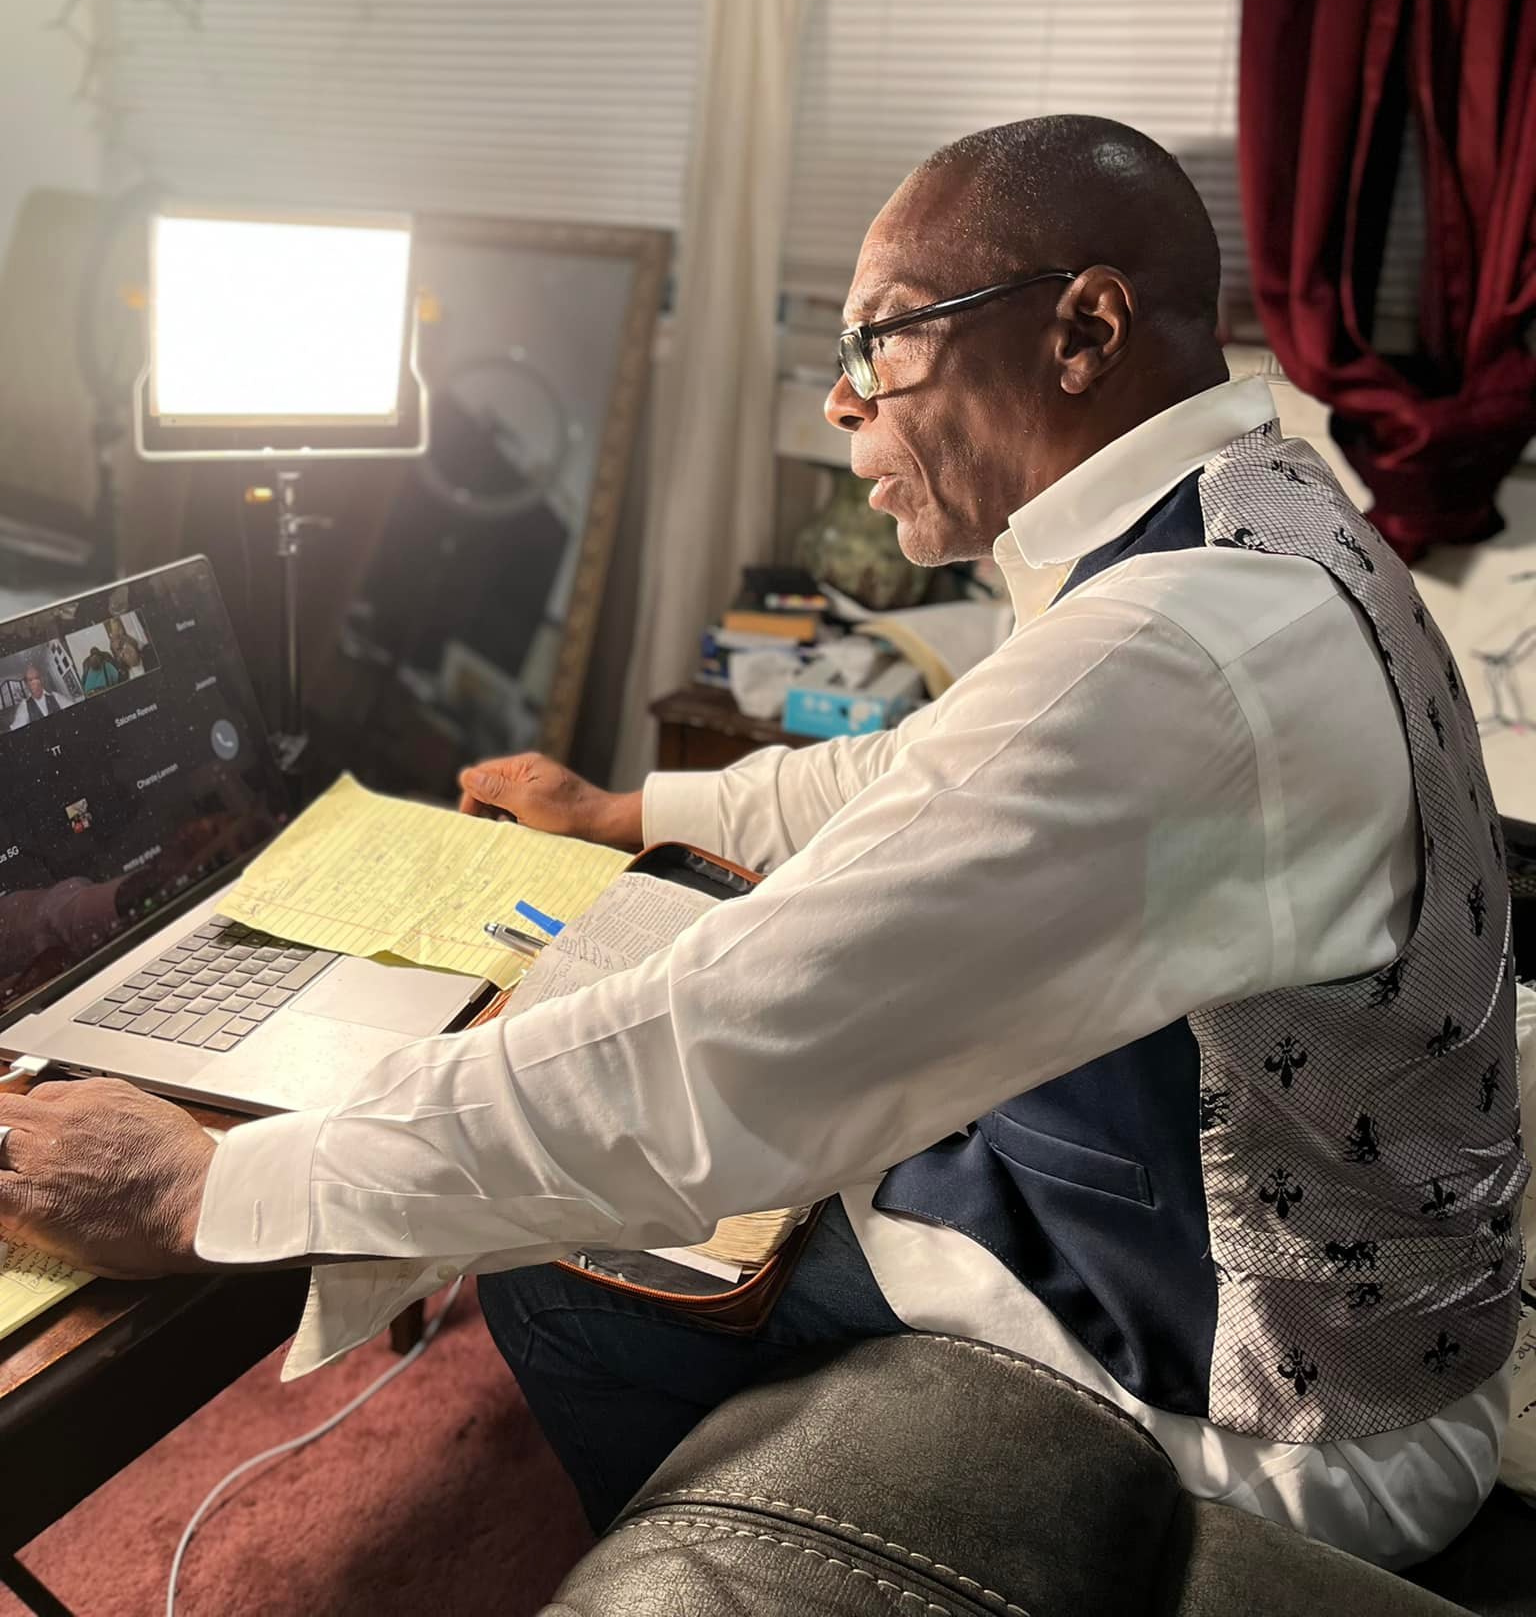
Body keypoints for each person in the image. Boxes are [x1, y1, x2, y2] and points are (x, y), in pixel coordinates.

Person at [0, 118, 1522, 1573]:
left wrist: (216, 1187)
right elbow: (930, 771)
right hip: (1319, 1266)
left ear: (1084, 330)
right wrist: (633, 813)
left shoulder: (1170, 659)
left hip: (1297, 1401)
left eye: (882, 342)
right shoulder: (1249, 521)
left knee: (573, 1268)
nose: (843, 402)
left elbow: (705, 1056)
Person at [8, 658, 71, 728]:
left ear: (41, 679)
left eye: (36, 678)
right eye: (30, 680)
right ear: (26, 684)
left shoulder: (55, 696)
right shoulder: (24, 706)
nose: (35, 683)